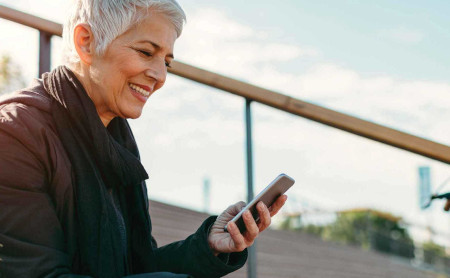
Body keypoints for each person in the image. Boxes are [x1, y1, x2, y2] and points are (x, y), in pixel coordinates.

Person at [0, 0, 287, 277]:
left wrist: (207, 247)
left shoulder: (118, 143)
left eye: (167, 62)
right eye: (146, 52)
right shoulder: (14, 135)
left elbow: (136, 268)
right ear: (86, 41)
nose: (160, 76)